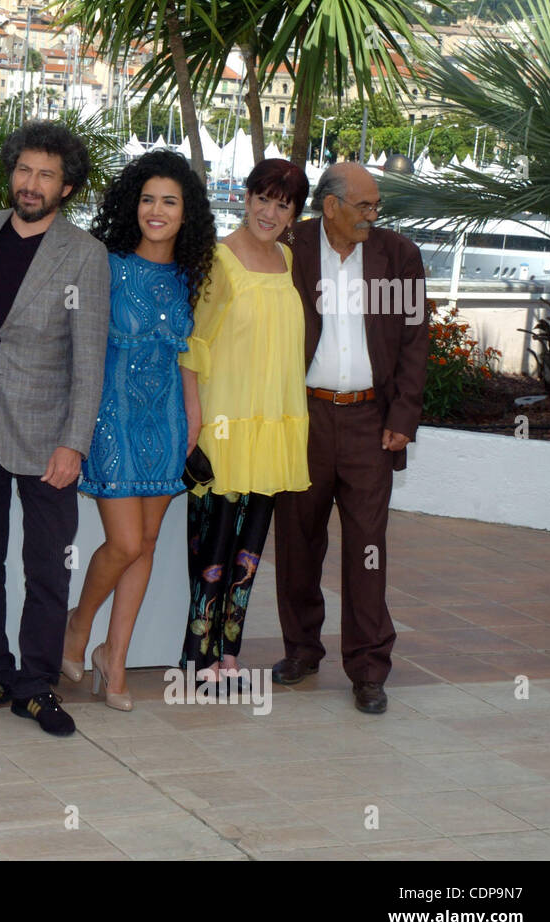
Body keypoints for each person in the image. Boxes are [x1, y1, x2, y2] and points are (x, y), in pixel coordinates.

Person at [0, 121, 110, 737]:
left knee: (48, 565)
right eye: (24, 169)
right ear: (10, 171)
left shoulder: (84, 253)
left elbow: (89, 358)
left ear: (66, 186)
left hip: (50, 436)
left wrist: (74, 442)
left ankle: (37, 684)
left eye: (46, 174)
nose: (32, 182)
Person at [272, 163, 429, 714]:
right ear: (331, 207)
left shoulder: (398, 255)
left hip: (370, 424)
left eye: (376, 205)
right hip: (303, 417)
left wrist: (403, 418)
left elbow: (414, 342)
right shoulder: (292, 246)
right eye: (364, 206)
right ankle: (301, 651)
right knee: (297, 542)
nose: (373, 215)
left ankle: (368, 668)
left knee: (366, 549)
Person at [63, 151, 217, 710]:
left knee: (147, 544)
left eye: (169, 202)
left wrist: (193, 416)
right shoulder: (106, 264)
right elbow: (79, 343)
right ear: (134, 205)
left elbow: (187, 356)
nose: (156, 210)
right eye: (148, 199)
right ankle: (79, 627)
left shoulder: (191, 275)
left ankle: (116, 658)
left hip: (168, 419)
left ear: (186, 213)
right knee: (125, 542)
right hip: (110, 417)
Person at [177, 158, 311, 683]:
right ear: (247, 198)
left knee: (250, 549)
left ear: (293, 213)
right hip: (223, 427)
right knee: (211, 546)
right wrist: (194, 419)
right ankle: (198, 657)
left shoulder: (287, 259)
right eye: (263, 198)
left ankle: (229, 652)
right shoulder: (218, 259)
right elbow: (193, 344)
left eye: (283, 203)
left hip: (272, 426)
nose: (269, 211)